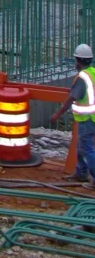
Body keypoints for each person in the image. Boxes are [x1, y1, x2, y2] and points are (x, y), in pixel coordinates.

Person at [51, 43, 95, 185]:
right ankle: (81, 172)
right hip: (91, 117)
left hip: (87, 118)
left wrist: (57, 114)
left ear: (78, 60)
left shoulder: (82, 77)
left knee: (86, 148)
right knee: (81, 146)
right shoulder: (92, 73)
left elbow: (72, 98)